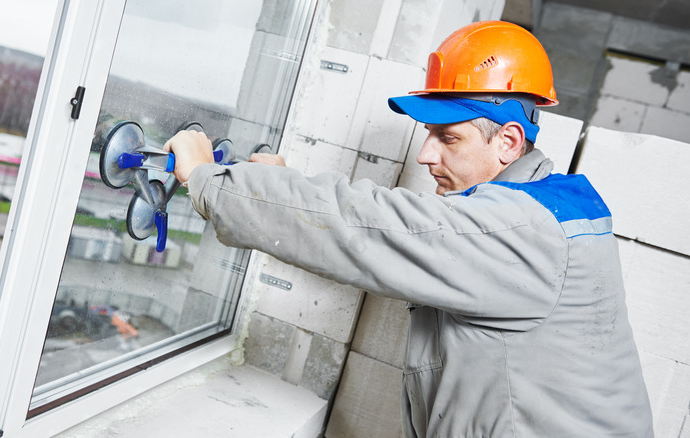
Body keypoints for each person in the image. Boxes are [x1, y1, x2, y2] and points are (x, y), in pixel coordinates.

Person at [164, 21, 653, 437]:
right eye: (428, 135)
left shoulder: (524, 228)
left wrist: (212, 182)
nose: (426, 155)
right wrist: (274, 184)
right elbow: (393, 233)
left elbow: (367, 227)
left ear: (508, 141)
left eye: (448, 137)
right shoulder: (545, 208)